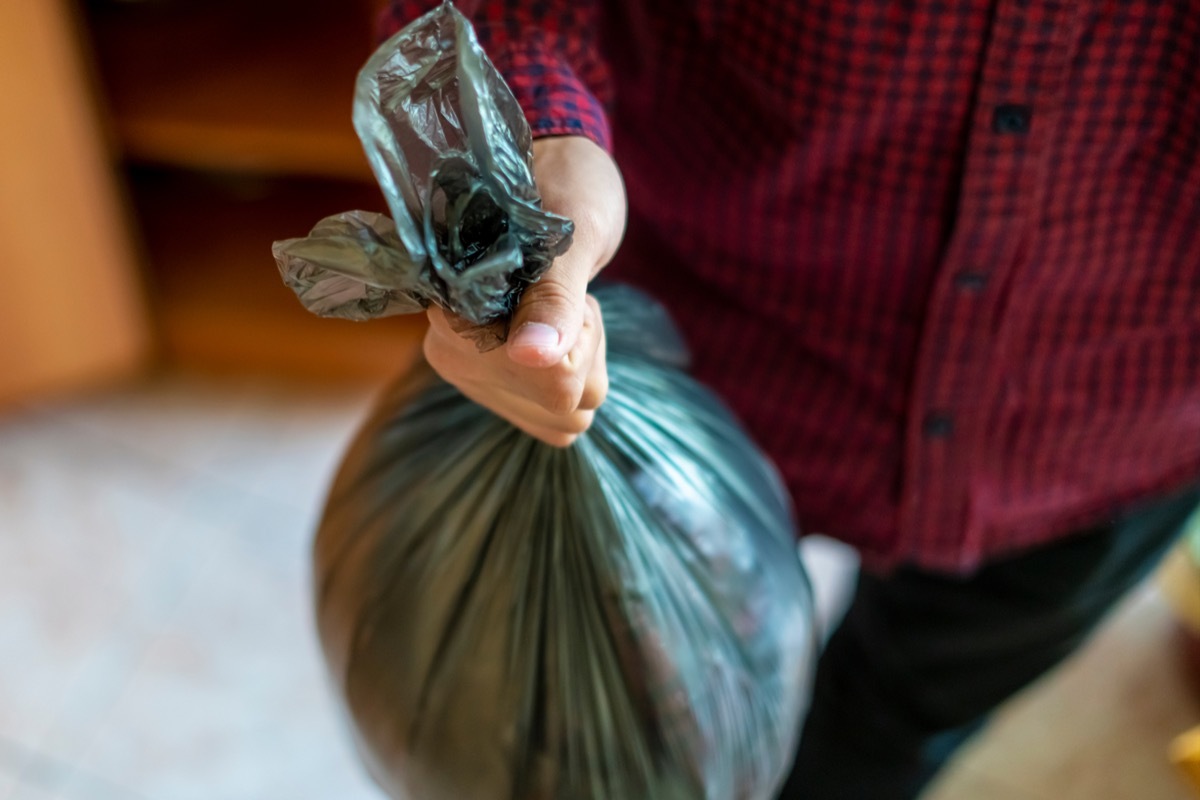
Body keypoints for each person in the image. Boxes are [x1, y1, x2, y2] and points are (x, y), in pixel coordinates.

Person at [382, 2, 1200, 797]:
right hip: (671, 369)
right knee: (590, 736)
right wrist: (524, 159)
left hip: (1111, 430)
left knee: (880, 740)